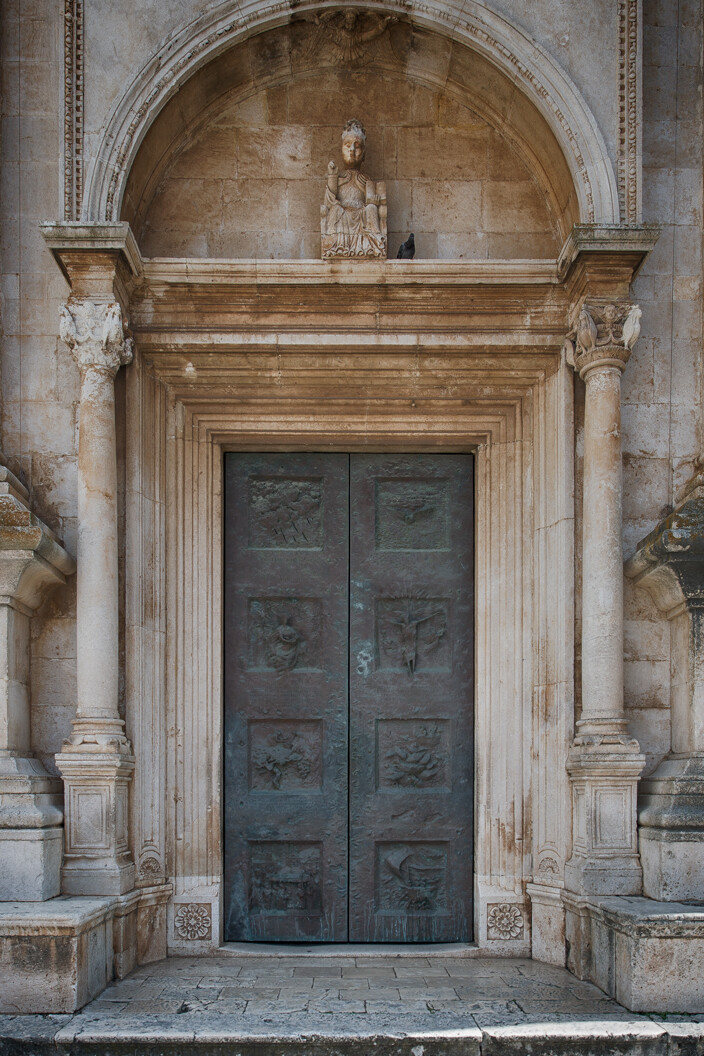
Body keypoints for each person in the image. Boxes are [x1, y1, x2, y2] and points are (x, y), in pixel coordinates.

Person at [321, 120, 387, 258]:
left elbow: (370, 200)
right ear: (341, 150)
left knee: (371, 209)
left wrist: (373, 200)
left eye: (357, 147)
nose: (352, 150)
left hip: (361, 215)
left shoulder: (366, 179)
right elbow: (330, 199)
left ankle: (372, 244)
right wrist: (332, 176)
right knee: (335, 209)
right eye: (347, 145)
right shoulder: (339, 177)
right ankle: (336, 244)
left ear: (364, 153)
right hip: (342, 213)